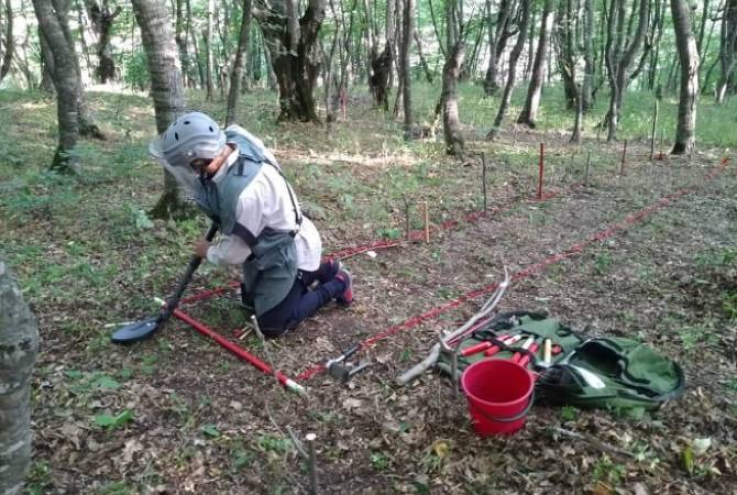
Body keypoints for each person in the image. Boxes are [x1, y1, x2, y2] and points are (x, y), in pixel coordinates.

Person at [149, 111, 352, 337]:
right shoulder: (234, 136)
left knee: (272, 324)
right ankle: (323, 270)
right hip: (265, 245)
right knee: (249, 303)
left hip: (290, 250)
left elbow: (234, 254)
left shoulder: (244, 195)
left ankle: (338, 281)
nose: (190, 172)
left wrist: (209, 251)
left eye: (191, 166)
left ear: (201, 159)